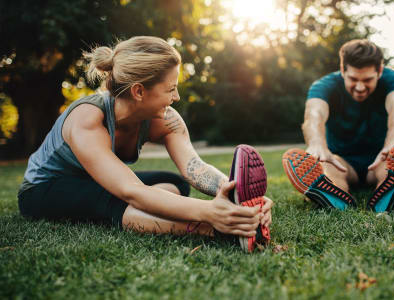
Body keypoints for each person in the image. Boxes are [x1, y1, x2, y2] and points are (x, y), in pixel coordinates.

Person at [17, 36, 272, 252]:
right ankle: (214, 231)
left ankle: (145, 215)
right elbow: (131, 191)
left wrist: (239, 197)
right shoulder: (88, 119)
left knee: (176, 185)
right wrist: (211, 213)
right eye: (170, 89)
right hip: (45, 189)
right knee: (117, 199)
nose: (177, 97)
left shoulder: (165, 119)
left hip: (97, 183)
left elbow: (194, 166)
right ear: (139, 91)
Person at [282, 39, 394, 212]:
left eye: (367, 80)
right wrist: (317, 145)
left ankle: (390, 190)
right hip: (342, 161)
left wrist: (393, 145)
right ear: (343, 70)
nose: (359, 87)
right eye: (353, 79)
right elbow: (314, 114)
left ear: (379, 71)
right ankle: (334, 193)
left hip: (380, 158)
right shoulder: (323, 85)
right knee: (327, 168)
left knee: (390, 167)